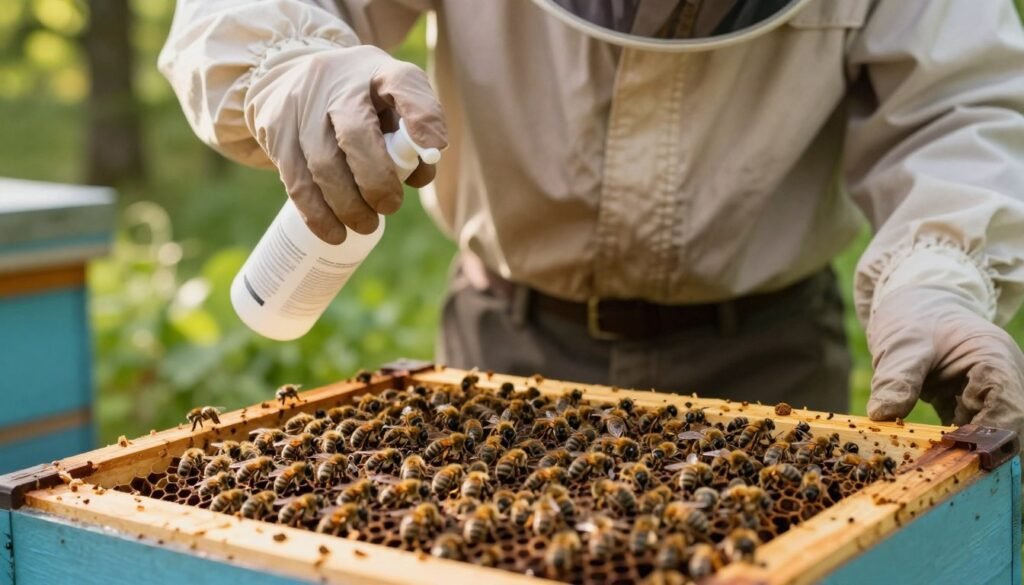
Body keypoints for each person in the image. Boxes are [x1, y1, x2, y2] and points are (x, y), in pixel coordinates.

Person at [159, 0, 1024, 439]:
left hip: (770, 357)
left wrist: (940, 277)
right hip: (507, 349)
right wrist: (300, 67)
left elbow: (960, 105)